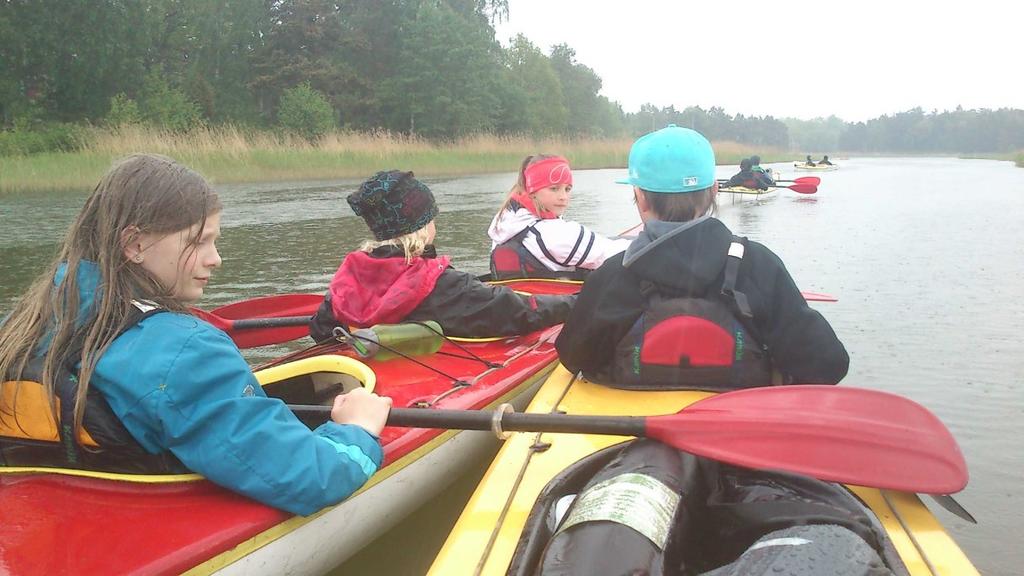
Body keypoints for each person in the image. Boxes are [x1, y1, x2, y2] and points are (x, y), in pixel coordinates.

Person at [0, 154, 392, 517]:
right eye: (199, 241)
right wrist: (354, 429)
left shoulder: (30, 321)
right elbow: (310, 477)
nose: (215, 258)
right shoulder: (186, 352)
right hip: (146, 527)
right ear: (135, 244)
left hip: (61, 517)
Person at [555, 125, 849, 389]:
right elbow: (828, 365)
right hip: (737, 438)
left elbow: (573, 356)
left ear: (640, 197)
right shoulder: (760, 266)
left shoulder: (612, 276)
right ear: (714, 191)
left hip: (630, 435)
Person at [309, 170, 575, 342]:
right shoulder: (445, 286)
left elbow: (320, 330)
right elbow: (521, 313)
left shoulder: (347, 282)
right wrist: (577, 301)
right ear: (423, 224)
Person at [487, 155, 631, 280]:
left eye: (567, 189)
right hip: (565, 309)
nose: (563, 197)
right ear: (532, 192)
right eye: (554, 188)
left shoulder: (501, 226)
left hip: (521, 307)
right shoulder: (557, 233)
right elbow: (621, 254)